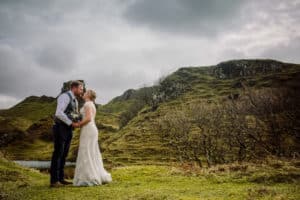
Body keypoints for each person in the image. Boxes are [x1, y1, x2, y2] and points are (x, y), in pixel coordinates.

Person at [73, 89, 112, 186]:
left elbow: (88, 118)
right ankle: (94, 174)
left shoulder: (87, 104)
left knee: (87, 151)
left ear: (89, 95)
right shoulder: (91, 104)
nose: (84, 93)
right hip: (91, 129)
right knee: (92, 151)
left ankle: (89, 177)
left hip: (88, 129)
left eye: (86, 92)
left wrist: (78, 124)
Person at [50, 81, 83, 187]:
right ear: (74, 88)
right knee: (58, 154)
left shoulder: (76, 101)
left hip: (68, 129)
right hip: (60, 128)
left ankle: (61, 178)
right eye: (81, 88)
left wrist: (78, 120)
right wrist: (71, 122)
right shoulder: (65, 96)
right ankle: (54, 181)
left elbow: (72, 114)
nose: (82, 90)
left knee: (64, 154)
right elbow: (59, 113)